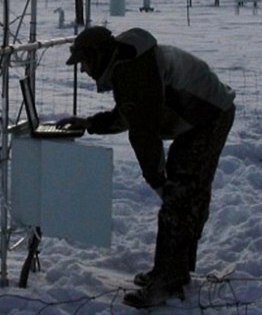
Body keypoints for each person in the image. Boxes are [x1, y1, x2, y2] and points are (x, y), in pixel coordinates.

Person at [61, 26, 236, 309]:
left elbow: (143, 133)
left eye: (84, 62)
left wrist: (158, 181)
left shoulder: (133, 72)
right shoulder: (129, 64)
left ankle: (168, 283)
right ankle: (172, 273)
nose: (83, 70)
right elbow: (132, 114)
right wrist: (90, 124)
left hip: (208, 118)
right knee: (183, 195)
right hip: (199, 118)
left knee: (178, 199)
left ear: (97, 55)